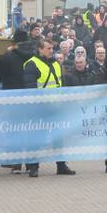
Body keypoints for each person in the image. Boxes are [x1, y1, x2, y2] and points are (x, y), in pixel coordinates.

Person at [23, 39, 76, 177]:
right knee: (36, 138)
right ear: (40, 49)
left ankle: (61, 165)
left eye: (52, 48)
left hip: (56, 107)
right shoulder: (31, 64)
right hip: (39, 108)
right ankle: (33, 166)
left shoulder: (55, 63)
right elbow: (30, 89)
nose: (51, 51)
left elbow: (61, 84)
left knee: (58, 138)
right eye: (48, 48)